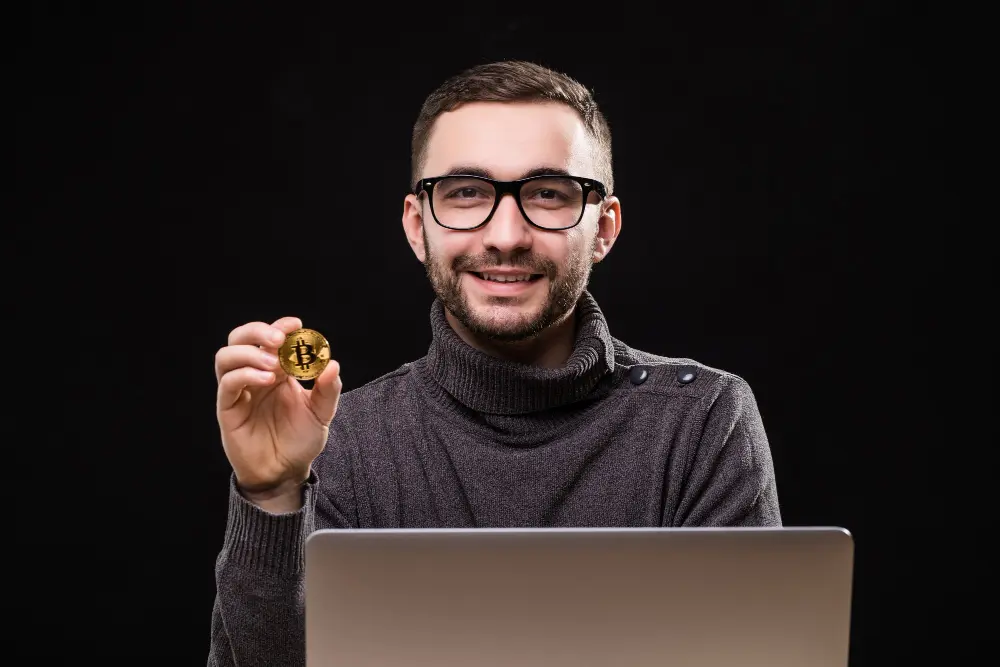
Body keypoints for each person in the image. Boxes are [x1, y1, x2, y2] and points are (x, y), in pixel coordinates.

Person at [208, 59, 782, 666]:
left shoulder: (701, 421)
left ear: (605, 228)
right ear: (417, 225)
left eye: (548, 194)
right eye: (465, 193)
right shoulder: (337, 442)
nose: (506, 235)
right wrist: (271, 493)